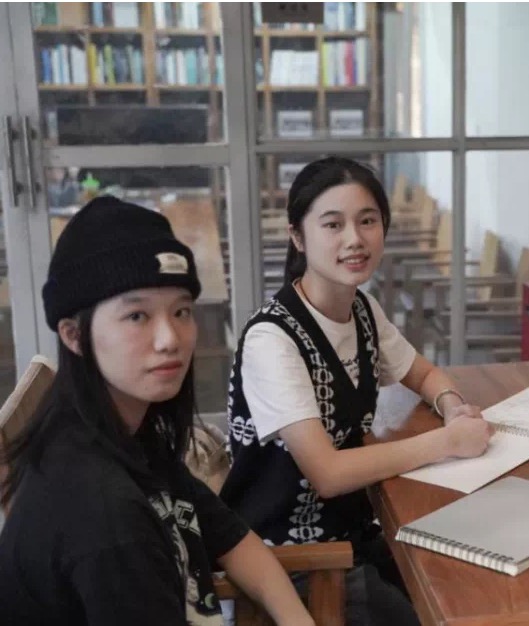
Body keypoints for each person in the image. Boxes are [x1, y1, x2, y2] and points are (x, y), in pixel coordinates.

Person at [0, 197, 313, 626]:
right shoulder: (104, 513)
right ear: (73, 335)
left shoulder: (128, 436)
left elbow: (231, 538)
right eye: (137, 316)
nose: (170, 339)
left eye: (181, 311)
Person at [219, 157, 493, 626]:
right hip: (291, 560)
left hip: (353, 534)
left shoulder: (362, 310)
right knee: (442, 608)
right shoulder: (272, 339)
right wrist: (447, 442)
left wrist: (452, 408)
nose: (354, 239)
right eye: (333, 224)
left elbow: (424, 374)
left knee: (467, 580)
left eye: (367, 221)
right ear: (298, 236)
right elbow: (325, 472)